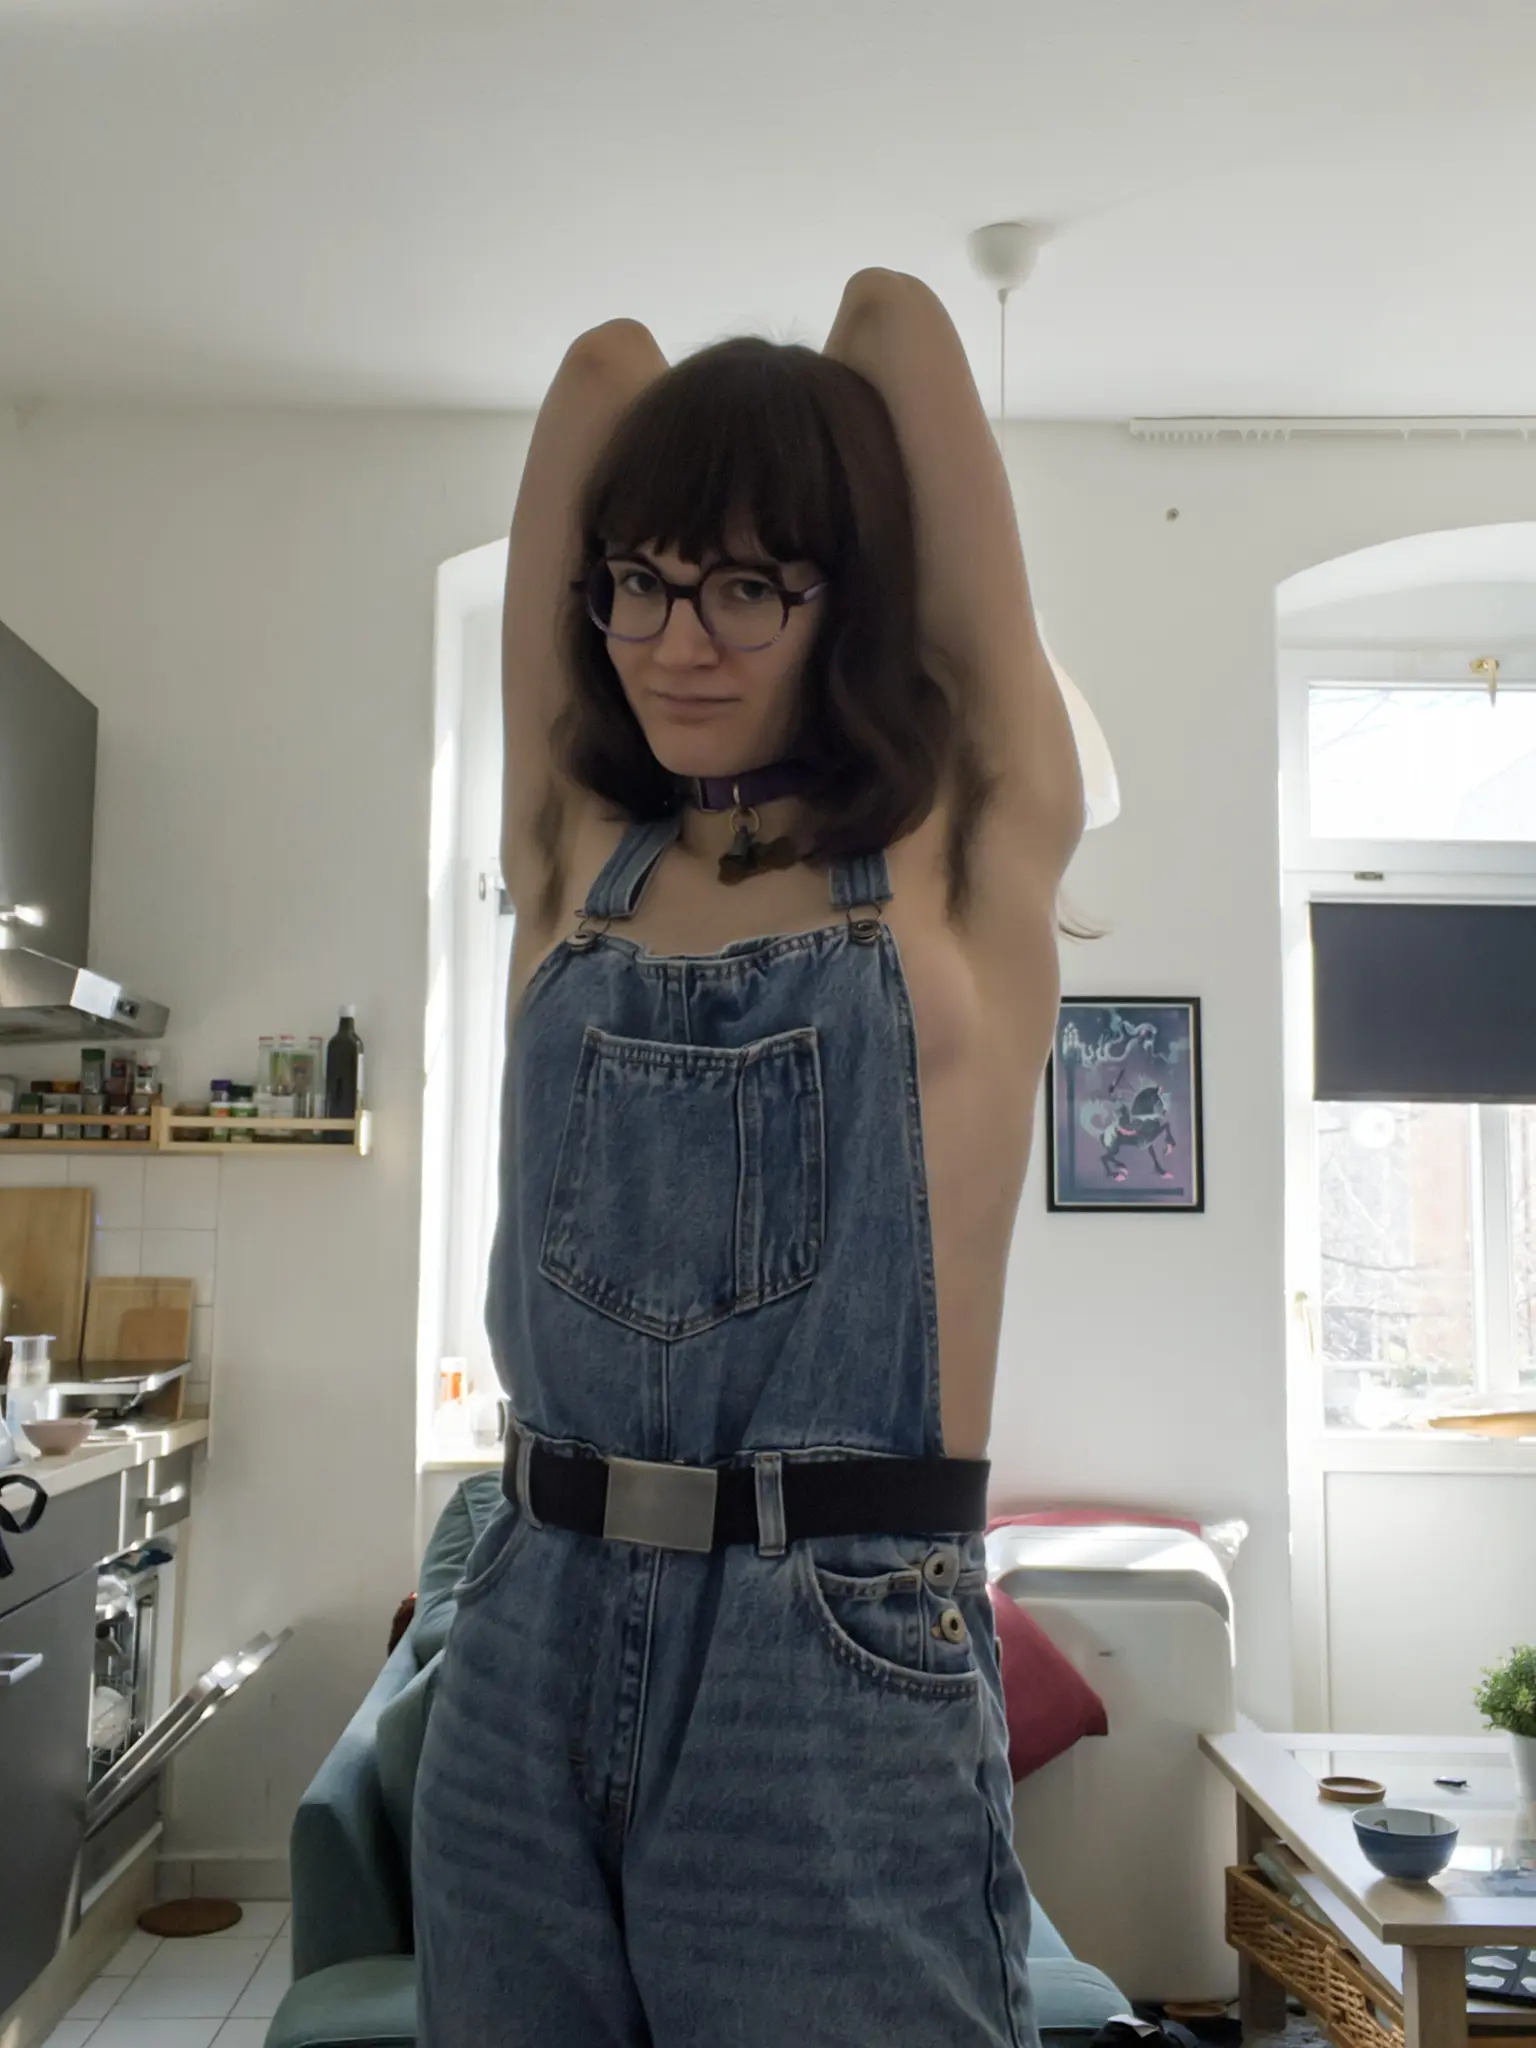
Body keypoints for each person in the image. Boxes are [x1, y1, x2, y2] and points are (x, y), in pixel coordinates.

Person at [413, 267, 1084, 2047]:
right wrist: (705, 493)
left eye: (743, 587)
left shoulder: (971, 856)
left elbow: (890, 321)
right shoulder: (573, 847)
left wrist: (792, 455)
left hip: (837, 1653)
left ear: (846, 595)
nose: (669, 640)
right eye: (637, 581)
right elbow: (597, 369)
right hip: (526, 1617)